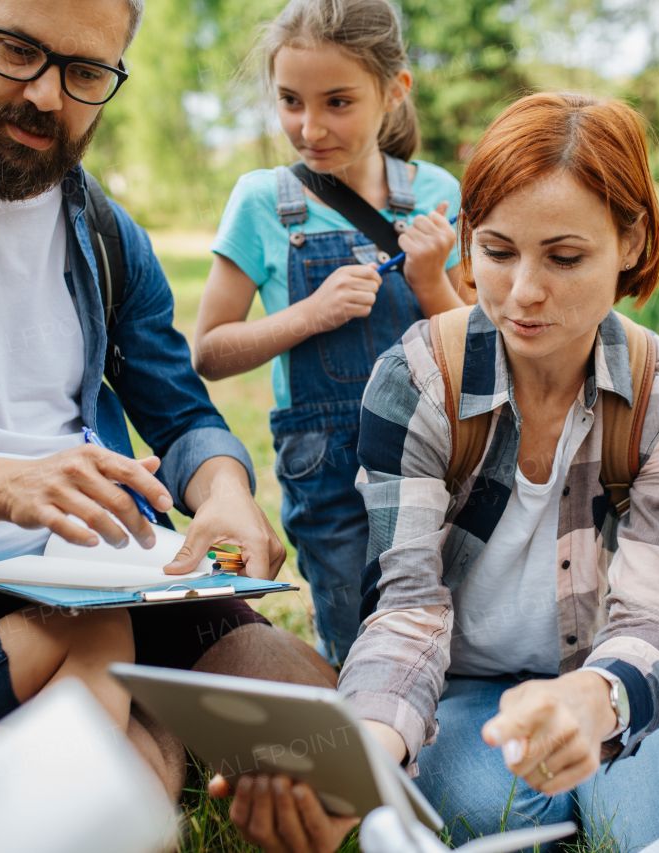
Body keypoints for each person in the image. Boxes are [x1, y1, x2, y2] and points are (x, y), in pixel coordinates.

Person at [215, 92, 659, 852]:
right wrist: (361, 759)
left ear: (629, 241)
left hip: (608, 678)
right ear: (466, 240)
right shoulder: (416, 380)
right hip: (468, 693)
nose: (523, 292)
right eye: (495, 251)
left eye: (564, 256)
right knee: (471, 809)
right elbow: (406, 606)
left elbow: (649, 618)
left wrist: (594, 700)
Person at [0, 0, 336, 794]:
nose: (47, 97)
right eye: (19, 52)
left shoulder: (106, 231)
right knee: (111, 789)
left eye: (86, 72)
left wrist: (228, 491)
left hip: (104, 574)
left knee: (313, 723)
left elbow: (183, 411)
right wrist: (2, 486)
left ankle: (130, 733)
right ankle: (131, 746)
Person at [193, 0, 468, 666]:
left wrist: (432, 280)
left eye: (337, 102)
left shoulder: (437, 193)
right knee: (355, 635)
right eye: (290, 100)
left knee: (444, 626)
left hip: (435, 452)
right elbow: (209, 350)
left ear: (393, 91)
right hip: (325, 467)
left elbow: (482, 351)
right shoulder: (263, 200)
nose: (309, 127)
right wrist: (307, 314)